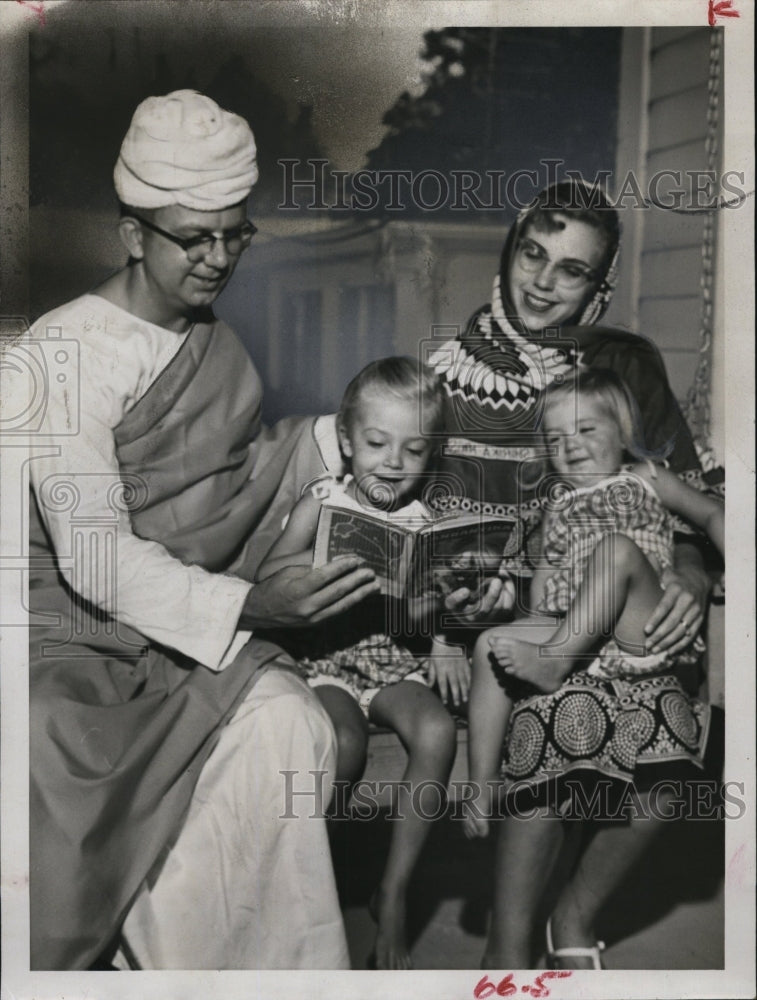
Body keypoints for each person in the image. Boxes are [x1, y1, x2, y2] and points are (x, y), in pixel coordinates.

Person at [26, 90, 382, 971]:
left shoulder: (211, 337)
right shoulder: (60, 353)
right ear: (132, 232)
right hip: (72, 634)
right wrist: (256, 605)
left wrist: (355, 437)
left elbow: (232, 481)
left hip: (188, 624)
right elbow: (95, 558)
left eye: (234, 234)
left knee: (288, 725)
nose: (219, 259)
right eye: (195, 238)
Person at [428, 179, 713, 659]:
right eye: (533, 254)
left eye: (572, 270)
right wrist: (452, 598)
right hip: (484, 637)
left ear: (599, 285)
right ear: (511, 250)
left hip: (622, 626)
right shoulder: (445, 375)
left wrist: (692, 572)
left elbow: (685, 507)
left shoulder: (623, 366)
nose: (543, 282)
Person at [257, 356, 469, 970]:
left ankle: (393, 891)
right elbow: (269, 572)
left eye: (414, 450)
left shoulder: (422, 519)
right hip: (326, 657)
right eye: (378, 443)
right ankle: (305, 891)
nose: (394, 462)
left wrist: (444, 639)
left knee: (436, 731)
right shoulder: (322, 498)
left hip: (391, 658)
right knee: (344, 743)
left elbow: (431, 602)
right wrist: (319, 567)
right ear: (348, 441)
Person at [463, 369, 724, 839]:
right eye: (555, 438)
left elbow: (711, 513)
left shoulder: (645, 476)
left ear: (623, 435)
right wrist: (531, 624)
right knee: (488, 644)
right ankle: (480, 786)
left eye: (585, 429)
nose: (570, 445)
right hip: (579, 633)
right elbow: (544, 592)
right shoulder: (557, 506)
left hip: (641, 623)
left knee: (616, 549)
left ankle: (554, 662)